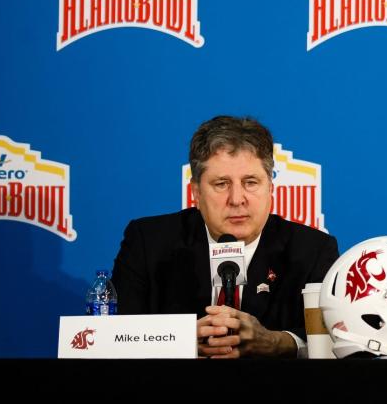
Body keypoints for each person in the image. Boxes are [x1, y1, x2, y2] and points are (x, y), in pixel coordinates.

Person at [112, 115, 338, 358]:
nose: (237, 199)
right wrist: (181, 340)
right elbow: (114, 335)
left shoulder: (312, 250)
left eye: (251, 182)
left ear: (270, 189)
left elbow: (332, 340)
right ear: (196, 192)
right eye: (221, 184)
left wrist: (275, 342)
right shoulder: (149, 242)